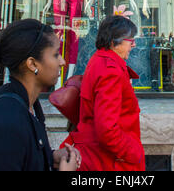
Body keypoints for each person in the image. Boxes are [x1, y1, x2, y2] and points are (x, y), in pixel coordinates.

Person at [0, 19, 81, 172]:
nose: (62, 61)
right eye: (55, 55)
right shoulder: (6, 120)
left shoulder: (29, 105)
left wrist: (50, 158)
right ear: (32, 64)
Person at [61, 15, 145, 171]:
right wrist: (133, 152)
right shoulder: (110, 70)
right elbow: (107, 129)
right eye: (130, 41)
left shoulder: (100, 59)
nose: (133, 45)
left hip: (97, 153)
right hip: (108, 160)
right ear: (114, 42)